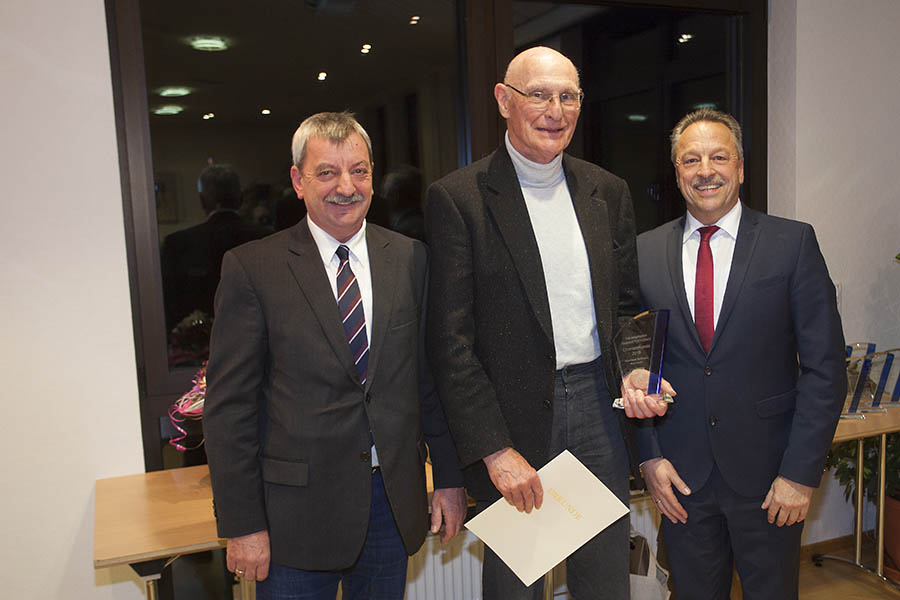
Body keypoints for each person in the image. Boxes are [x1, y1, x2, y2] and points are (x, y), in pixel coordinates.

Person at [424, 46, 668, 600]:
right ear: (504, 101)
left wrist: (637, 373)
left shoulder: (608, 192)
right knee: (515, 582)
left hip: (597, 408)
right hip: (511, 417)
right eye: (539, 95)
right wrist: (492, 448)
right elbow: (450, 342)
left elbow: (628, 307)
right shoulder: (459, 199)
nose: (554, 109)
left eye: (568, 97)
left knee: (606, 578)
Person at [202, 111, 467, 599]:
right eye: (327, 172)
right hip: (293, 521)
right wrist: (242, 525)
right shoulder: (253, 269)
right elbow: (229, 410)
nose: (346, 186)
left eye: (359, 171)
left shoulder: (411, 258)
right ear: (298, 181)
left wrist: (449, 479)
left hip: (390, 508)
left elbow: (429, 381)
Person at [635, 108, 846, 599]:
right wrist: (648, 457)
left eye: (718, 156)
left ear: (741, 168)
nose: (705, 170)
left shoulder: (791, 244)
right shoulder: (644, 253)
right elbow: (636, 367)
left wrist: (799, 473)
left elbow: (824, 368)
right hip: (681, 482)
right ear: (677, 173)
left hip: (771, 480)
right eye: (691, 160)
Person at [160, 164, 269, 333]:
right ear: (240, 198)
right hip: (258, 338)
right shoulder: (267, 238)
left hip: (197, 343)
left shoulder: (177, 243)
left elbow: (170, 305)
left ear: (202, 200)